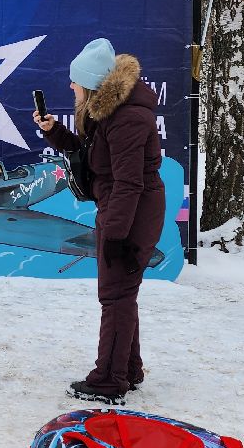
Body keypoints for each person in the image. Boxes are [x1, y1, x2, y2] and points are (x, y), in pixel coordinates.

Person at [34, 37, 165, 404]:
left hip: (132, 211)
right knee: (123, 292)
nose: (70, 86)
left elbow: (128, 182)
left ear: (92, 82)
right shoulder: (109, 111)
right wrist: (54, 132)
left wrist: (116, 237)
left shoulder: (127, 118)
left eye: (75, 81)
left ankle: (109, 380)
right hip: (122, 208)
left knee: (116, 294)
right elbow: (93, 155)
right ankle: (129, 368)